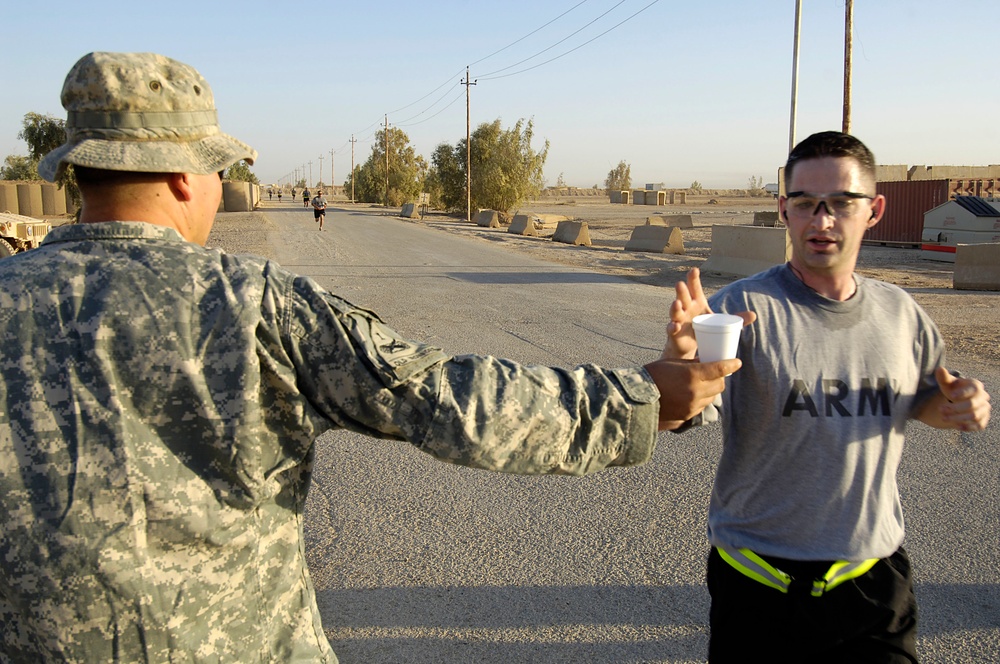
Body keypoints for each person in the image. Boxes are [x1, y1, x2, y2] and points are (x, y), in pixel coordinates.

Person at [0, 51, 742, 662]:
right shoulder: (255, 303)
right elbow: (444, 397)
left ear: (81, 170)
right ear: (186, 176)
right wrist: (653, 398)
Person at [665, 131, 991, 663]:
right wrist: (680, 360)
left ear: (874, 210)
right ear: (784, 211)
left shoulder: (903, 314)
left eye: (841, 203)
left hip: (872, 584)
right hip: (757, 584)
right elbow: (683, 413)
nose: (822, 220)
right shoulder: (741, 308)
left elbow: (927, 396)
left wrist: (961, 403)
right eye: (805, 204)